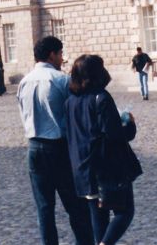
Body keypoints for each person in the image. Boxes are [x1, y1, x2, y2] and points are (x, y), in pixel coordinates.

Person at [16, 36, 94, 245]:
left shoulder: (24, 82)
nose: (62, 58)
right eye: (60, 54)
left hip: (34, 147)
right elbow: (76, 112)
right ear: (52, 55)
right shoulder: (60, 80)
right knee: (76, 206)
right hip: (59, 148)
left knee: (44, 209)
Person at [66, 54, 142, 245]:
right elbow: (114, 135)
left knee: (99, 218)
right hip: (106, 167)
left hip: (83, 167)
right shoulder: (101, 97)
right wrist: (130, 124)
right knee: (124, 212)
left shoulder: (70, 101)